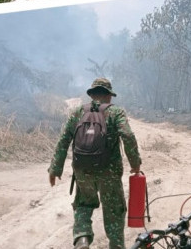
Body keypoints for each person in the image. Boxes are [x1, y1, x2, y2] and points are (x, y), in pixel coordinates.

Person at [48, 77, 142, 249]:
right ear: (109, 96)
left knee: (83, 204)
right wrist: (135, 163)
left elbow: (63, 140)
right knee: (114, 211)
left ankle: (82, 239)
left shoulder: (78, 112)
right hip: (109, 173)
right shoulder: (115, 113)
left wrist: (55, 168)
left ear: (92, 95)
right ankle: (116, 246)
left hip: (83, 171)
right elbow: (128, 136)